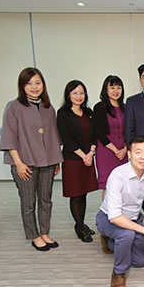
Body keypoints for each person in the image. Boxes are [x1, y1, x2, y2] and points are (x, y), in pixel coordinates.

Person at [0, 67, 63, 251]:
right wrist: (18, 163)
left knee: (46, 199)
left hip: (48, 163)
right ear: (22, 85)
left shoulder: (48, 108)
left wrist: (56, 161)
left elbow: (52, 136)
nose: (34, 87)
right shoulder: (14, 106)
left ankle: (44, 232)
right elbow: (9, 137)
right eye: (29, 83)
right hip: (24, 163)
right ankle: (34, 235)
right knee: (28, 201)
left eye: (38, 83)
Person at [95, 136, 144, 287]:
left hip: (134, 219)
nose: (143, 156)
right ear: (129, 154)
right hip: (109, 219)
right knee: (127, 236)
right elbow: (115, 216)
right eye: (138, 152)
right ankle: (118, 272)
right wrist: (143, 230)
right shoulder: (117, 176)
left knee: (141, 261)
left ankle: (111, 241)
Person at [57, 80, 98, 243]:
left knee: (84, 192)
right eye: (75, 93)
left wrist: (91, 153)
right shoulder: (63, 113)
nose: (79, 96)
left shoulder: (88, 112)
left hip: (88, 157)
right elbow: (67, 139)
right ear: (68, 95)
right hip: (73, 159)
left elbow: (94, 134)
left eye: (81, 93)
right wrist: (84, 156)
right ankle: (79, 226)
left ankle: (81, 223)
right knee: (76, 194)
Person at [94, 75, 128, 201]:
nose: (116, 90)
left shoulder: (126, 108)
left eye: (119, 87)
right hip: (106, 151)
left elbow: (130, 131)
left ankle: (122, 217)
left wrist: (125, 149)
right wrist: (115, 150)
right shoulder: (100, 107)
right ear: (106, 89)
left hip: (123, 151)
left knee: (123, 186)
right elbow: (99, 132)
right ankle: (107, 217)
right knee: (108, 186)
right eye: (112, 87)